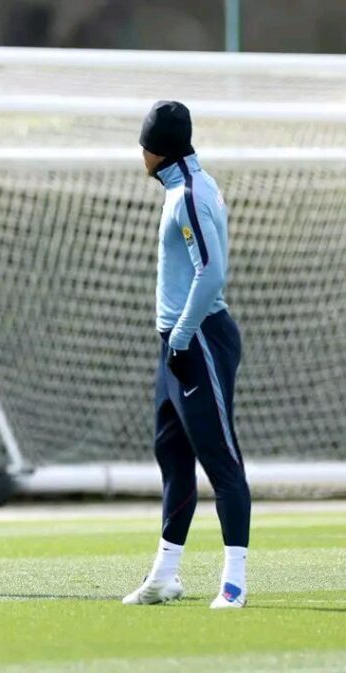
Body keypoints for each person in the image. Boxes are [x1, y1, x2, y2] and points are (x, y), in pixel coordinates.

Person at [123, 101, 251, 609]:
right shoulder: (188, 185)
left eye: (142, 144)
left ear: (155, 149)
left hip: (196, 339)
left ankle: (235, 581)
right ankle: (165, 574)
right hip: (177, 341)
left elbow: (212, 272)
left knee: (220, 457)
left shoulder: (191, 195)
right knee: (172, 455)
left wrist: (179, 338)